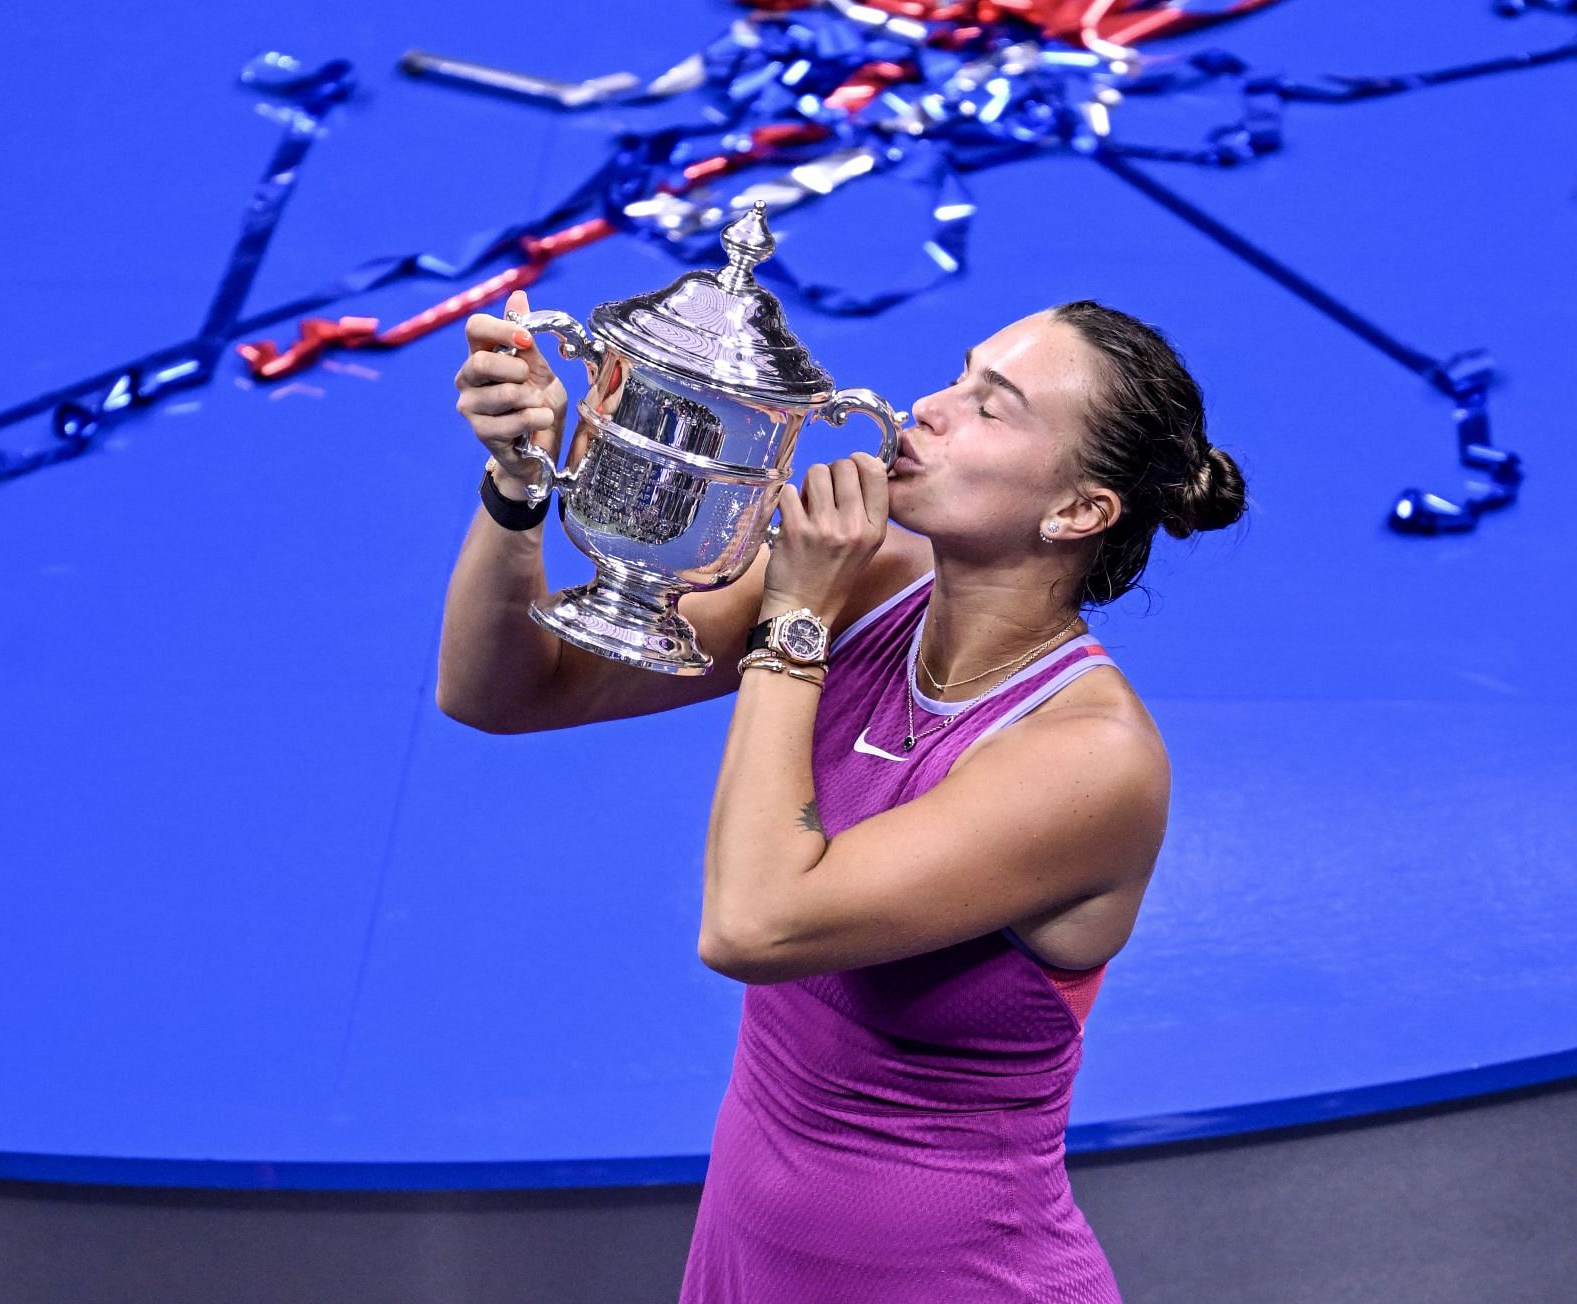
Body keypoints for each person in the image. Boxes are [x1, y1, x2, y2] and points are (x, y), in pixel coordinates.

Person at [440, 287, 1248, 1301]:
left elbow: (754, 923)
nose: (928, 408)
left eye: (992, 406)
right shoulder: (871, 583)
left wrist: (792, 624)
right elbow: (502, 690)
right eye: (957, 374)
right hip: (746, 1261)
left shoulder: (1092, 757)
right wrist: (518, 487)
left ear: (1078, 510)